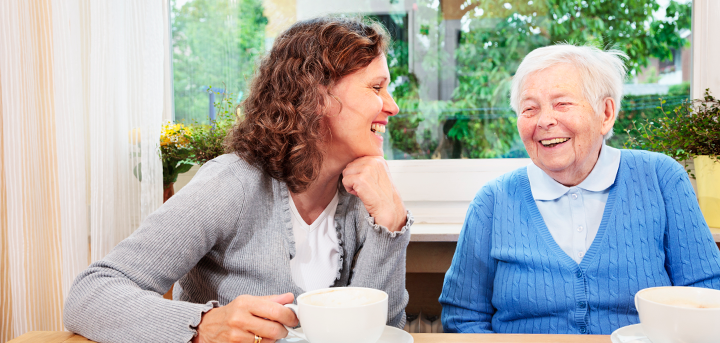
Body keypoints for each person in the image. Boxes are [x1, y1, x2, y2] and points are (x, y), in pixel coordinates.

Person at [64, 17, 412, 343]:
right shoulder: (232, 183)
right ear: (317, 96)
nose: (392, 106)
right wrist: (201, 325)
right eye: (376, 87)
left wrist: (391, 223)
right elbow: (90, 293)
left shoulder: (365, 193)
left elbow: (381, 331)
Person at [439, 44, 720, 335]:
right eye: (529, 108)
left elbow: (708, 296)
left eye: (562, 104)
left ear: (606, 113)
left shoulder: (662, 179)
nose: (544, 120)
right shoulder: (493, 202)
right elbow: (463, 320)